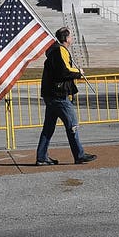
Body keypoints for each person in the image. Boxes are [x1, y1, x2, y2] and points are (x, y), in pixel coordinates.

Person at [35, 27, 97, 166]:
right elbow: (63, 72)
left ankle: (42, 156)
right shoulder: (59, 50)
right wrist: (78, 72)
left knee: (48, 128)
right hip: (59, 96)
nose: (72, 38)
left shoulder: (55, 50)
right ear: (67, 38)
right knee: (72, 126)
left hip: (51, 95)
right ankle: (79, 155)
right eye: (71, 36)